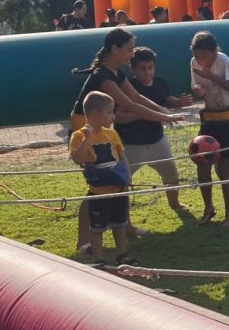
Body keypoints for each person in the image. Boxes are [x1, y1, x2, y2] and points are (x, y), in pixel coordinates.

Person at [70, 28, 183, 254]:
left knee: (113, 180)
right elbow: (131, 106)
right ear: (115, 49)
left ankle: (125, 227)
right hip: (86, 128)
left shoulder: (115, 72)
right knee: (96, 186)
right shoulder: (102, 76)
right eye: (129, 49)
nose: (132, 54)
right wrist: (164, 117)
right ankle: (84, 242)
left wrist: (166, 113)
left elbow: (138, 97)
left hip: (102, 129)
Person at [116, 47, 191, 216]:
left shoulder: (160, 83)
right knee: (122, 181)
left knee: (171, 175)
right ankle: (121, 214)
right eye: (142, 68)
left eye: (150, 67)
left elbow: (165, 100)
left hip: (157, 140)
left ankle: (175, 203)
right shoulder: (127, 87)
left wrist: (179, 102)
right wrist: (141, 114)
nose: (147, 72)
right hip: (131, 143)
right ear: (132, 68)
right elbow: (118, 116)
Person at [190, 31, 229, 226]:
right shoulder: (194, 63)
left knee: (224, 167)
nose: (201, 60)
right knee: (202, 163)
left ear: (214, 51)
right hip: (210, 118)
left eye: (205, 56)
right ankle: (208, 208)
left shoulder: (223, 60)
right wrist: (198, 91)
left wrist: (210, 76)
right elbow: (198, 88)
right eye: (197, 55)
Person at [69, 91, 132, 264]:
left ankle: (122, 254)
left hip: (118, 190)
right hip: (98, 192)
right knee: (97, 228)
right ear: (95, 115)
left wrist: (127, 177)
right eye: (110, 112)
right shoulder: (78, 136)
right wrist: (87, 140)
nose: (113, 116)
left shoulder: (112, 134)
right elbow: (77, 159)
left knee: (120, 224)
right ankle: (99, 258)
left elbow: (122, 157)